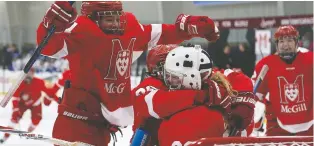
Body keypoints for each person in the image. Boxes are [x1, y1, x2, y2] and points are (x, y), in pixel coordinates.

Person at [37, 1, 220, 145]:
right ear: (92, 18)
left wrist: (186, 30)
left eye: (117, 17)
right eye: (109, 19)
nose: (116, 23)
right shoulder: (79, 30)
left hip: (103, 125)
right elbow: (49, 48)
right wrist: (49, 26)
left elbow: (158, 34)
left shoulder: (129, 28)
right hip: (76, 121)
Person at [131, 44, 256, 146]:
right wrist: (201, 95)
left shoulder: (205, 81)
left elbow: (237, 78)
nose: (166, 77)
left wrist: (243, 100)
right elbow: (151, 102)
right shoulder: (155, 84)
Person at [252, 25, 313, 136]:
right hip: (278, 128)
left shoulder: (310, 60)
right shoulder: (265, 65)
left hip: (310, 127)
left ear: (297, 42)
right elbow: (255, 98)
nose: (285, 45)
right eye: (281, 41)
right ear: (276, 45)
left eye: (289, 40)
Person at [0, 69, 57, 144]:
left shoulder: (39, 82)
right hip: (22, 104)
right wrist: (16, 109)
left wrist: (58, 99)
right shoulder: (19, 83)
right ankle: (5, 137)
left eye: (30, 74)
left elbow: (49, 93)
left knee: (36, 119)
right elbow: (15, 98)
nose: (28, 76)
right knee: (14, 118)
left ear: (33, 74)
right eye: (27, 74)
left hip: (35, 103)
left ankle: (28, 132)